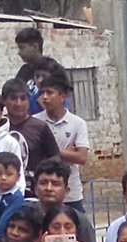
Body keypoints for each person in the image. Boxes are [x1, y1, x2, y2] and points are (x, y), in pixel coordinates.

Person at [38, 73, 92, 214]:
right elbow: (35, 157)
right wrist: (67, 153)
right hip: (44, 192)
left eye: (50, 93)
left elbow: (81, 157)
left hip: (72, 192)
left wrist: (51, 151)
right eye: (42, 93)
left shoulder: (77, 123)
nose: (44, 97)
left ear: (62, 97)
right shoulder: (35, 122)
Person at [1, 79, 62, 188]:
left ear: (29, 101)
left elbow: (55, 159)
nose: (18, 103)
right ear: (4, 101)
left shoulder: (40, 127)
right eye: (13, 98)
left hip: (33, 193)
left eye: (23, 98)